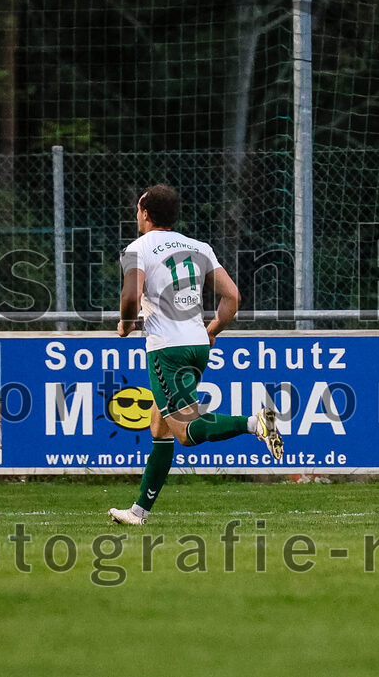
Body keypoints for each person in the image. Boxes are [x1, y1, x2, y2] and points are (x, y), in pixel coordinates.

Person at [109, 184, 284, 526]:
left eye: (137, 208)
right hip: (197, 346)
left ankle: (255, 423)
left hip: (167, 351)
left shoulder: (137, 248)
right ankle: (138, 512)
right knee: (159, 427)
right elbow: (232, 297)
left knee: (185, 431)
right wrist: (212, 330)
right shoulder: (199, 247)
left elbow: (131, 294)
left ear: (145, 212)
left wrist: (126, 324)